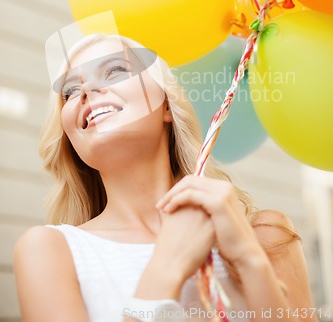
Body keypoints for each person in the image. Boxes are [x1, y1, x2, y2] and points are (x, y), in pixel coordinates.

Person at [14, 33, 316, 322]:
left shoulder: (267, 237)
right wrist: (168, 267)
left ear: (167, 106)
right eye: (69, 91)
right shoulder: (49, 251)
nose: (85, 92)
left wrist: (249, 258)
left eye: (116, 70)